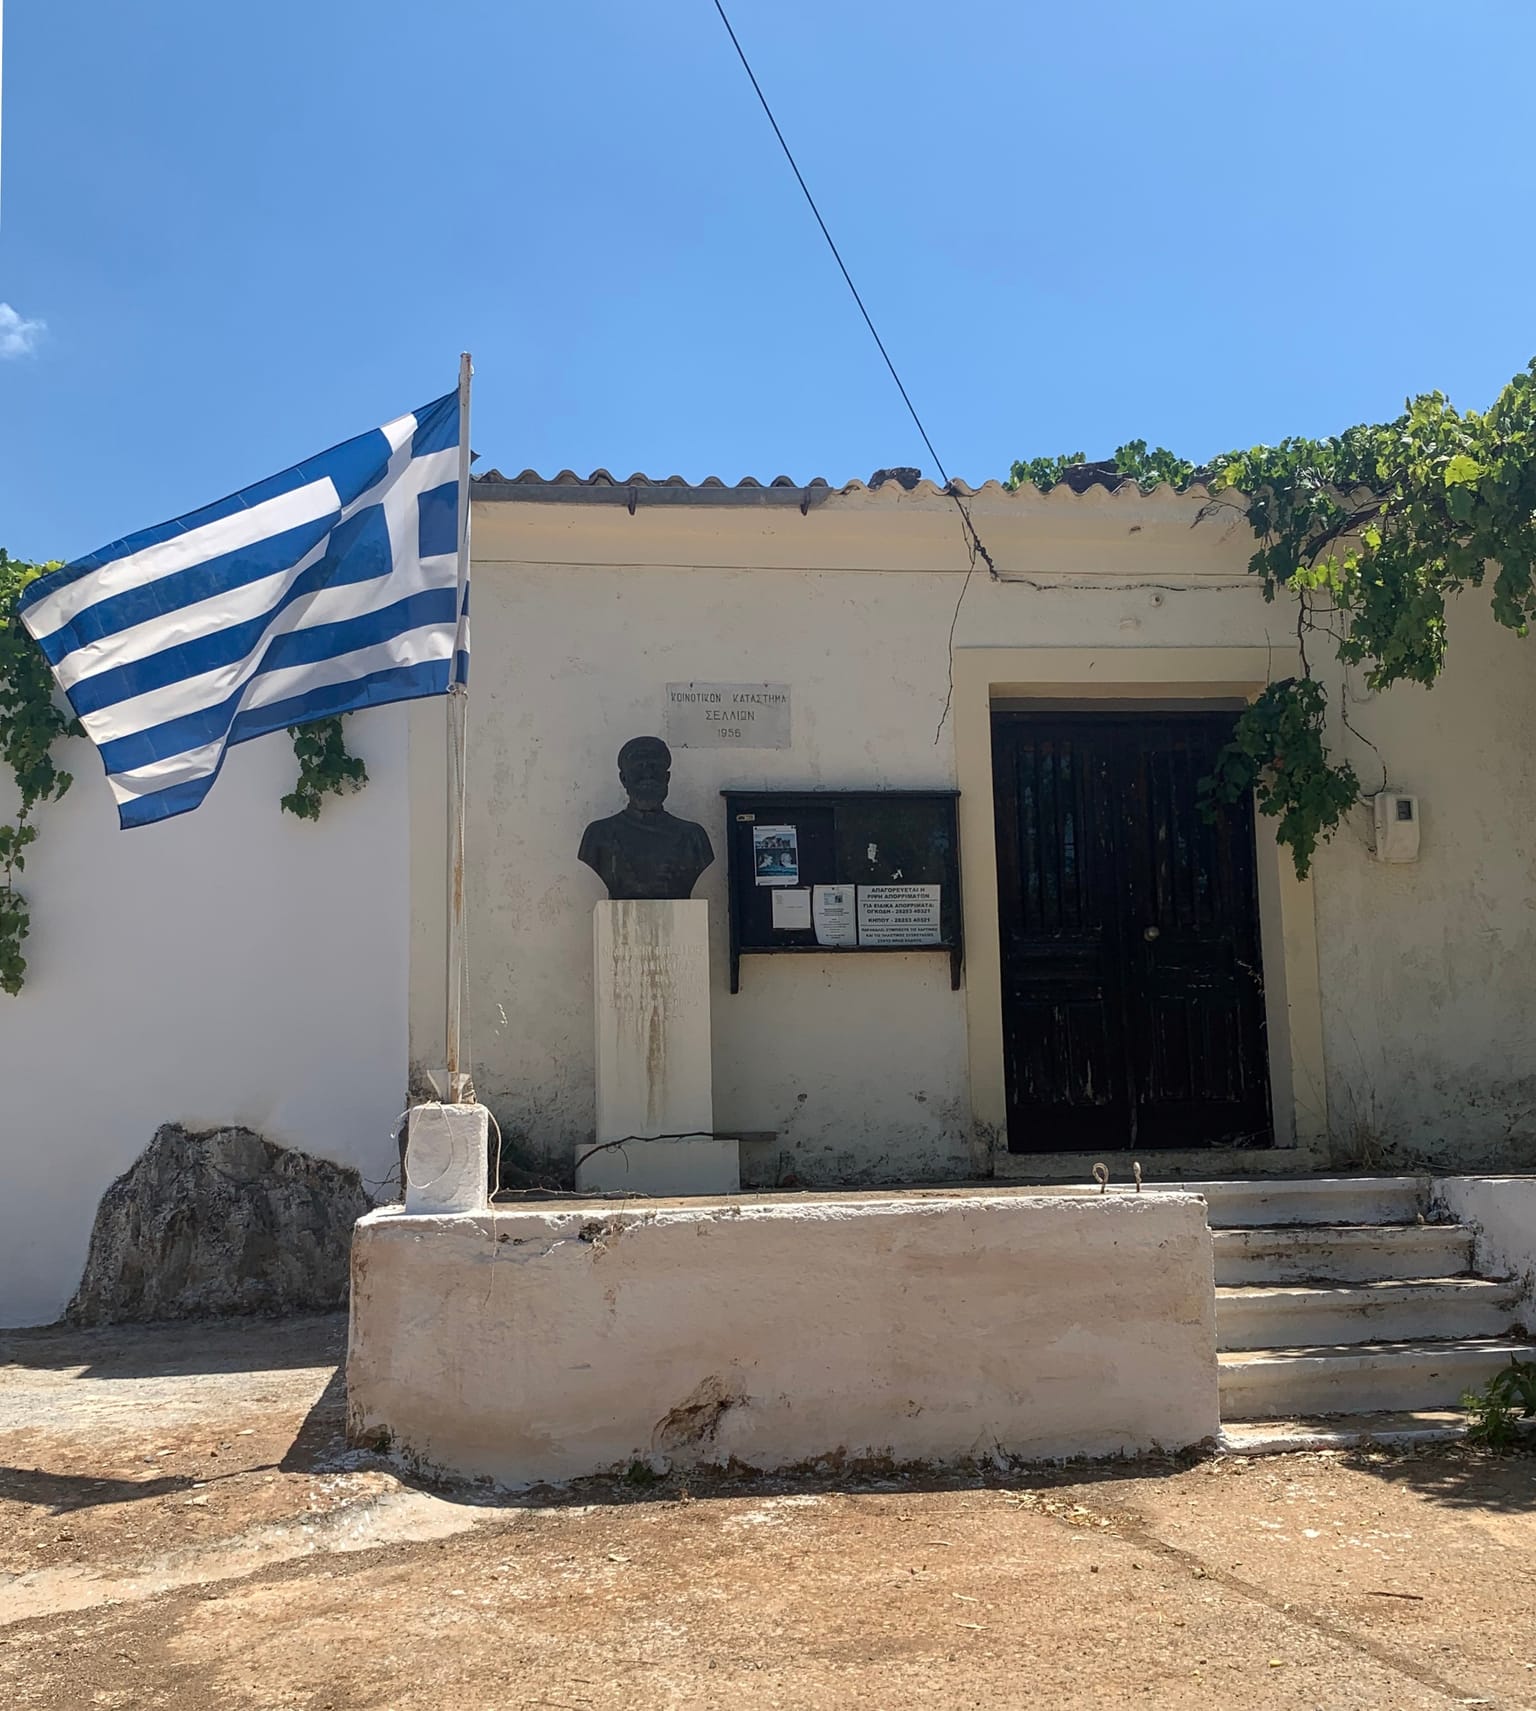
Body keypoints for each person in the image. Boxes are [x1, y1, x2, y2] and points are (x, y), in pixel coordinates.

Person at [577, 736, 715, 901]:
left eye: (655, 767)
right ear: (624, 779)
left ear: (667, 778)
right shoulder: (598, 835)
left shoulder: (693, 837)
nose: (648, 774)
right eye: (639, 767)